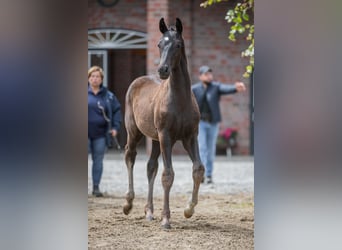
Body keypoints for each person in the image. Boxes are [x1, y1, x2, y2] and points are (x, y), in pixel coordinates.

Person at [192, 65, 246, 184]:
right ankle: (202, 174)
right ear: (200, 76)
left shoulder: (215, 87)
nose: (209, 76)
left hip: (213, 123)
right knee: (202, 148)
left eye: (210, 74)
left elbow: (226, 88)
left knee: (211, 150)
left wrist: (236, 88)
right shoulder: (195, 89)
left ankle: (209, 175)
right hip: (200, 123)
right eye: (206, 74)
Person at [88, 66, 122, 197]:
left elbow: (117, 111)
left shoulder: (109, 96)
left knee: (98, 160)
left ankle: (96, 187)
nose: (95, 79)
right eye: (92, 76)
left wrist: (115, 127)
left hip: (101, 135)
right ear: (88, 78)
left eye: (97, 77)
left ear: (101, 79)